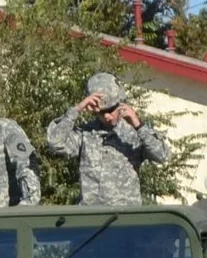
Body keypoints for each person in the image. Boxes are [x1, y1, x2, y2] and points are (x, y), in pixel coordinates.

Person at [45, 72, 172, 205]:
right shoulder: (86, 134)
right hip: (91, 217)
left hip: (125, 218)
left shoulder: (135, 134)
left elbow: (162, 155)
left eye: (110, 110)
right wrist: (76, 110)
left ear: (121, 105)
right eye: (101, 112)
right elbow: (55, 143)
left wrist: (138, 125)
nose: (106, 117)